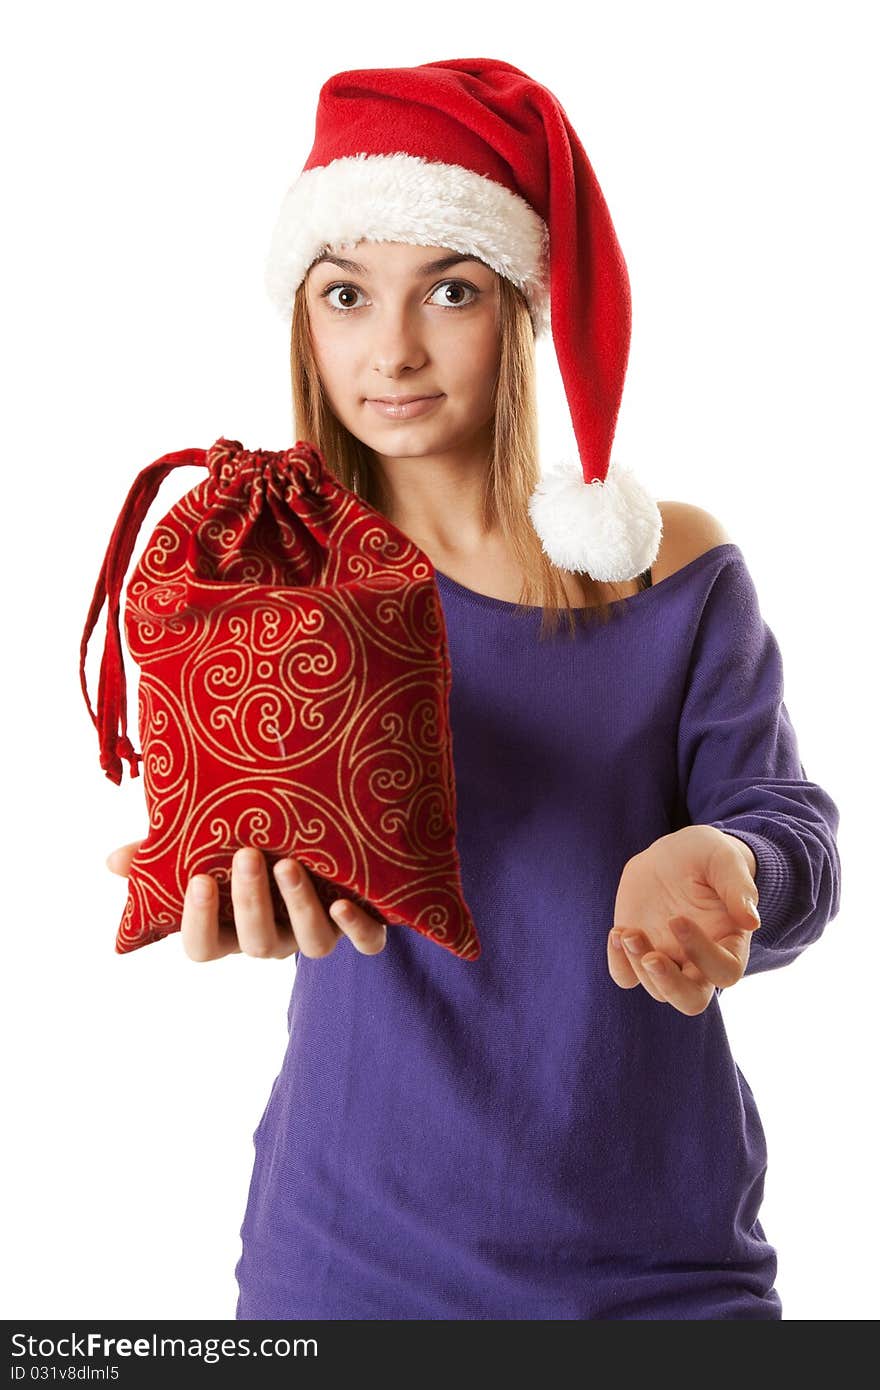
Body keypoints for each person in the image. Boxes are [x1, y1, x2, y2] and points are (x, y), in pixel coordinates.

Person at [106, 58, 842, 1320]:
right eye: (345, 294)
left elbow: (792, 834)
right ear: (305, 315)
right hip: (343, 1270)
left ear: (522, 305)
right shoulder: (266, 577)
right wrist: (224, 885)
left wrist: (728, 863)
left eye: (448, 290)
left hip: (661, 1273)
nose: (390, 349)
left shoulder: (661, 569)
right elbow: (216, 832)